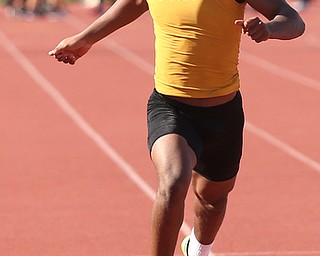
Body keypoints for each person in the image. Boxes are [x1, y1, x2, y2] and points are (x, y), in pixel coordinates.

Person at [48, 0, 305, 255]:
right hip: (171, 106)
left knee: (212, 200)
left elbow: (293, 20)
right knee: (173, 182)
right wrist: (86, 38)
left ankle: (198, 249)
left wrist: (270, 29)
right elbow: (134, 3)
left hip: (223, 112)